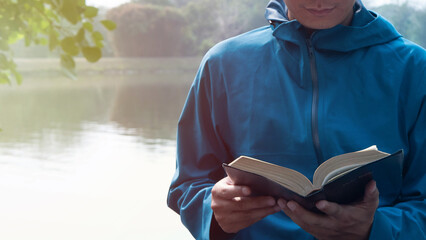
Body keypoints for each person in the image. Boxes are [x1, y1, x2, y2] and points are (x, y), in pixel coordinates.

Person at [167, 0, 426, 239]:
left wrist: (375, 229)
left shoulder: (414, 69)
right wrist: (212, 211)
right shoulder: (222, 64)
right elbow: (187, 184)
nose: (320, 1)